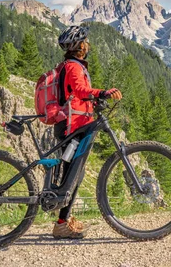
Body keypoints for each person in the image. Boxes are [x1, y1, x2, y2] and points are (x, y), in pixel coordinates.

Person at [52, 25, 122, 239]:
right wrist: (103, 92)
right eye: (85, 41)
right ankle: (61, 224)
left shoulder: (72, 65)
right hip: (73, 126)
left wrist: (95, 99)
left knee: (75, 174)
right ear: (79, 46)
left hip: (76, 124)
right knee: (70, 175)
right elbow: (80, 91)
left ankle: (64, 219)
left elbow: (79, 92)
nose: (88, 45)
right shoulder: (73, 66)